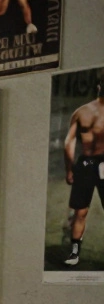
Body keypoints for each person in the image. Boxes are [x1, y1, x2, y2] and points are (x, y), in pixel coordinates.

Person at [63, 72, 104, 266]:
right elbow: (68, 142)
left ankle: (74, 253)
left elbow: (68, 142)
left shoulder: (81, 112)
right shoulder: (80, 112)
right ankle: (74, 253)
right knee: (80, 212)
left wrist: (70, 169)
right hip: (88, 164)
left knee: (80, 212)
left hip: (90, 163)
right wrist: (70, 169)